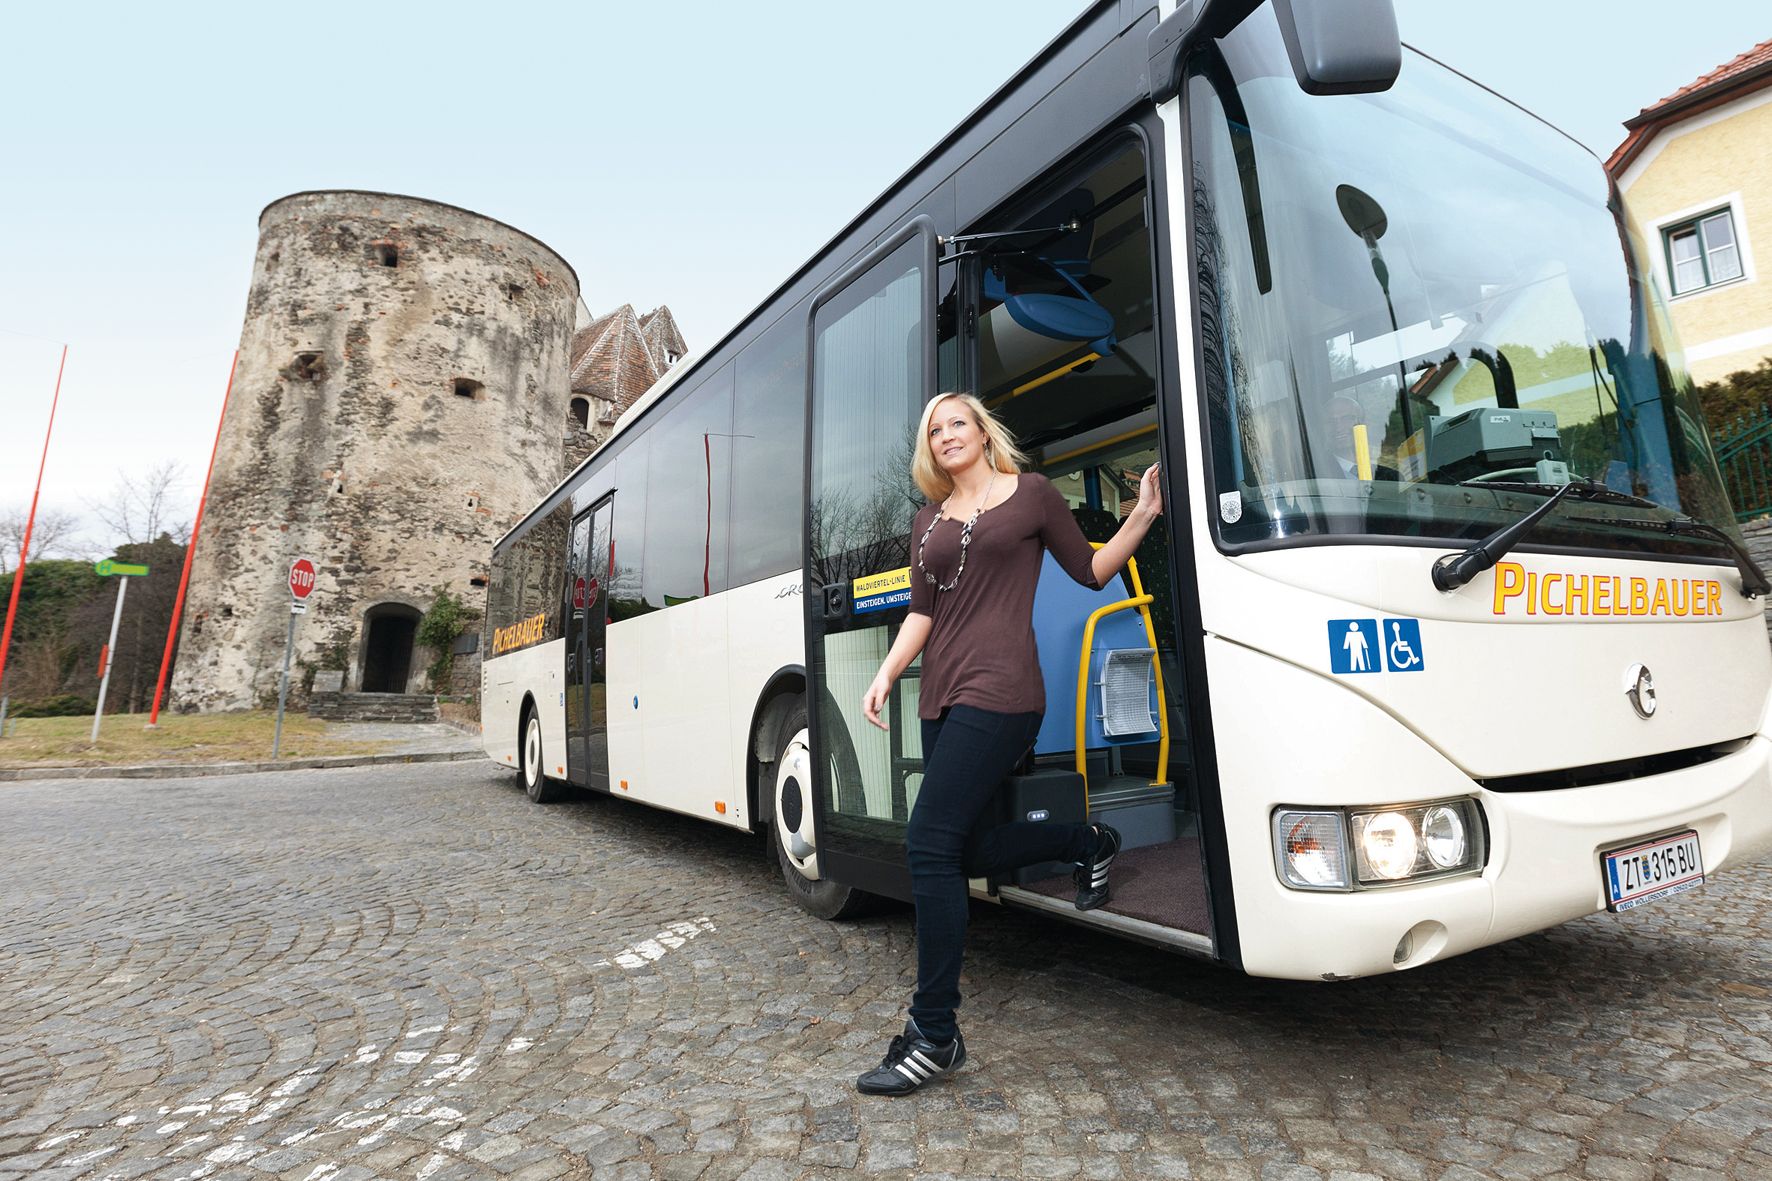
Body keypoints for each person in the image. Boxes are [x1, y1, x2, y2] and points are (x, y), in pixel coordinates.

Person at [853, 391, 1163, 1097]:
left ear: (983, 433)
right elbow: (921, 613)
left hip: (1004, 694)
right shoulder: (927, 521)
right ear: (927, 449)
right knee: (961, 852)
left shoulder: (1030, 496)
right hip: (942, 698)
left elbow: (1089, 570)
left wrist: (1141, 514)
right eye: (934, 429)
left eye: (957, 422)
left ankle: (934, 1031)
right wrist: (886, 674)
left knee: (927, 845)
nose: (947, 434)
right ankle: (1086, 841)